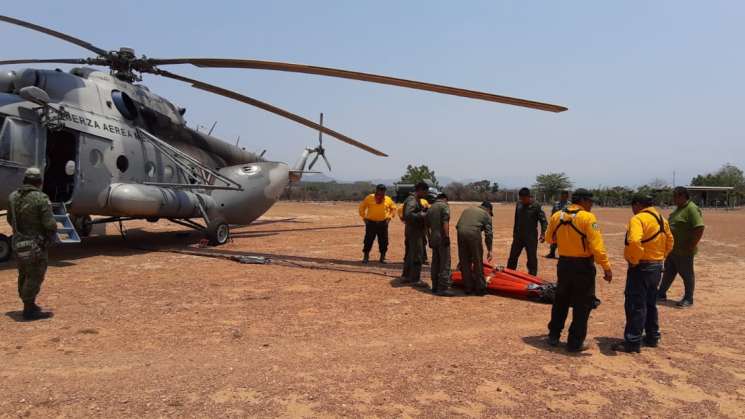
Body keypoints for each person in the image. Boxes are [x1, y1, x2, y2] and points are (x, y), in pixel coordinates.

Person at [545, 188, 612, 352]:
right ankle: (575, 342)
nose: (591, 205)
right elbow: (597, 247)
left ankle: (553, 335)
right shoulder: (587, 218)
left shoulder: (557, 215)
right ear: (583, 201)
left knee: (561, 299)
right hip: (582, 266)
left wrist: (563, 240)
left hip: (564, 264)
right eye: (590, 202)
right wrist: (606, 267)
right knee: (582, 304)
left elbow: (548, 238)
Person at [612, 194, 674, 353]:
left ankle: (632, 341)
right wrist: (662, 257)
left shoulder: (638, 219)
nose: (632, 210)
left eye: (633, 206)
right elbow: (670, 241)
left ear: (638, 204)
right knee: (650, 303)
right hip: (657, 266)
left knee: (635, 304)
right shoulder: (661, 219)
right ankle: (652, 337)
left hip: (641, 267)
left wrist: (634, 259)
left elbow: (634, 241)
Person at [7, 167, 58, 320]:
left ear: (24, 180)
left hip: (18, 242)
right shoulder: (40, 198)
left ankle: (28, 303)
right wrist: (50, 236)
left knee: (23, 273)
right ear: (39, 182)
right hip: (36, 245)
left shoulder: (13, 197)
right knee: (35, 274)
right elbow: (49, 224)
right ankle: (29, 309)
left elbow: (10, 219)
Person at [657, 187, 704, 308]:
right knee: (668, 272)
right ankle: (661, 293)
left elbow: (699, 227)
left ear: (683, 196)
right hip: (673, 249)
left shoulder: (691, 209)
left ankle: (689, 298)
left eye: (675, 196)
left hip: (684, 250)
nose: (673, 199)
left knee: (687, 274)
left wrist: (691, 245)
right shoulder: (679, 209)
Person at [456, 201, 493, 296]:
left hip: (460, 233)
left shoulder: (468, 209)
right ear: (489, 209)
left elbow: (458, 226)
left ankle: (468, 287)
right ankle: (480, 288)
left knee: (464, 261)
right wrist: (489, 250)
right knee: (477, 261)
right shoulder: (486, 214)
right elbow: (488, 234)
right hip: (473, 234)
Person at [507, 187, 547, 276]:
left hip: (531, 237)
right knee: (512, 257)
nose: (522, 200)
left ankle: (532, 277)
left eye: (524, 199)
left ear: (529, 197)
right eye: (521, 198)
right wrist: (514, 233)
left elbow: (543, 221)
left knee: (532, 258)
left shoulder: (536, 206)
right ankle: (509, 274)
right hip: (518, 236)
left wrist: (543, 233)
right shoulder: (519, 204)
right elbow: (516, 219)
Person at [400, 182, 429, 286]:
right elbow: (408, 214)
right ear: (420, 190)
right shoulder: (412, 200)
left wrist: (422, 210)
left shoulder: (413, 199)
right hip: (415, 232)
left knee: (409, 254)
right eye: (425, 191)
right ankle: (415, 279)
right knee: (417, 255)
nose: (426, 194)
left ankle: (406, 276)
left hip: (411, 230)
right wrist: (422, 215)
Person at [359, 184, 397, 264]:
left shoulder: (387, 199)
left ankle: (382, 258)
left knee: (384, 241)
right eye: (379, 190)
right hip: (371, 223)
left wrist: (389, 218)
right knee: (368, 240)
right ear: (376, 190)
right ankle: (366, 257)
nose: (381, 192)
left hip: (383, 224)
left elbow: (393, 208)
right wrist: (364, 217)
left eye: (383, 191)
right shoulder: (369, 197)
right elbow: (362, 207)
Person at [427, 193, 454, 296]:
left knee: (435, 261)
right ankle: (443, 288)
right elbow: (445, 222)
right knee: (445, 262)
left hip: (433, 237)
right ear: (445, 199)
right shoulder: (444, 206)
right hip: (442, 237)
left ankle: (434, 285)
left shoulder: (431, 207)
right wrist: (446, 236)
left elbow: (426, 226)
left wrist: (429, 238)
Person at [546, 190, 570, 259]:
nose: (564, 196)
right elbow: (553, 214)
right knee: (554, 238)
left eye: (565, 195)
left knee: (565, 240)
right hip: (556, 224)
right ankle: (552, 253)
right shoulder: (556, 204)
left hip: (565, 225)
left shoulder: (570, 205)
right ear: (561, 195)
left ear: (567, 196)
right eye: (562, 195)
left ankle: (565, 254)